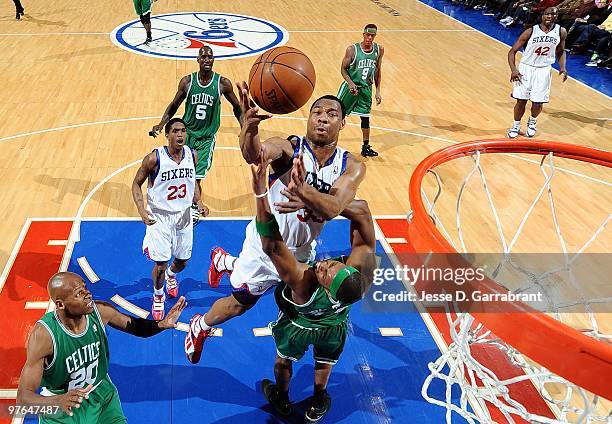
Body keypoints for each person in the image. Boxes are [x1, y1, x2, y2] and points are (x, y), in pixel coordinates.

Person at [183, 85, 366, 365]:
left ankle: (224, 261)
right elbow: (254, 155)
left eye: (331, 114)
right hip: (266, 244)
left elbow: (332, 209)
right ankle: (201, 325)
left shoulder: (350, 166)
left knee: (300, 301)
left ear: (343, 122)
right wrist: (249, 129)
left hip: (302, 250)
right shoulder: (290, 148)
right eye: (316, 112)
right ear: (308, 118)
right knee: (238, 304)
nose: (322, 118)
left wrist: (303, 193)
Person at [250, 149, 376, 422]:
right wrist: (319, 204)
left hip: (298, 326)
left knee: (283, 360)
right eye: (332, 265)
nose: (322, 266)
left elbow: (272, 245)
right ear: (350, 268)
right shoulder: (362, 281)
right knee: (325, 360)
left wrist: (261, 195)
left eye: (324, 273)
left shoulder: (303, 284)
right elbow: (363, 213)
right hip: (333, 327)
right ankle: (319, 396)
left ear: (326, 289)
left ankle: (281, 397)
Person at [16, 272, 186, 423]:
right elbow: (23, 398)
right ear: (60, 305)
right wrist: (57, 402)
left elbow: (135, 326)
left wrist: (162, 324)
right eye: (79, 293)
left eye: (85, 288)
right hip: (63, 407)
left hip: (101, 394)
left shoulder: (101, 311)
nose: (88, 294)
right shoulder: (45, 336)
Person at [151, 46, 243, 224]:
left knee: (196, 176)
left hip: (206, 139)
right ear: (198, 60)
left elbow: (237, 107)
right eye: (204, 57)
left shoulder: (222, 83)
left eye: (210, 57)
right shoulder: (187, 82)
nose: (207, 60)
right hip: (187, 135)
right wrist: (162, 124)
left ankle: (192, 207)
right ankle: (175, 200)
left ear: (213, 59)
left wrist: (243, 127)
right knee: (181, 171)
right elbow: (174, 105)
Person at [132, 118, 206, 319]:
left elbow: (193, 184)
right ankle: (158, 296)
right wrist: (141, 210)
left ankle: (172, 276)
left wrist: (199, 202)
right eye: (175, 131)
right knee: (161, 264)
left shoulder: (193, 155)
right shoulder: (154, 159)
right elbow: (135, 185)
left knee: (183, 261)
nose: (180, 135)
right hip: (160, 217)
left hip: (183, 215)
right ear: (167, 135)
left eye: (183, 131)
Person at [507, 7, 568, 138]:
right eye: (547, 14)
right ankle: (516, 125)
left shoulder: (561, 31)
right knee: (521, 100)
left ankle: (532, 122)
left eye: (553, 14)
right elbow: (512, 52)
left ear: (556, 17)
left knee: (538, 102)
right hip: (526, 68)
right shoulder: (530, 31)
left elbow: (561, 51)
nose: (550, 16)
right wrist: (514, 70)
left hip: (544, 69)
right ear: (542, 15)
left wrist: (562, 67)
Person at [337, 23, 385, 158]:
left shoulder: (379, 50)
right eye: (367, 35)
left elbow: (378, 70)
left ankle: (365, 147)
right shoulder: (352, 49)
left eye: (372, 35)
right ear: (363, 34)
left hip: (365, 89)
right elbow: (343, 69)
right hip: (350, 88)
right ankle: (327, 143)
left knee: (365, 119)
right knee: (337, 116)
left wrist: (378, 90)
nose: (369, 38)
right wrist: (351, 83)